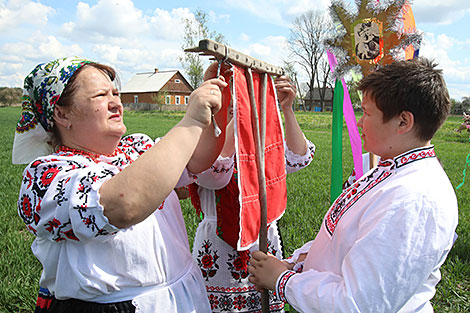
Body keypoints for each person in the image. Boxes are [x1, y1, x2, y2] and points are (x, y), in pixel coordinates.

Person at [14, 56, 228, 312]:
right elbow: (124, 205)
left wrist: (220, 102)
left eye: (116, 92)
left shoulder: (138, 148)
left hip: (181, 297)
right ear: (61, 113)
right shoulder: (46, 176)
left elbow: (196, 158)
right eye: (101, 95)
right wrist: (191, 121)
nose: (116, 102)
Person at [248, 57, 459, 313]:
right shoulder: (391, 170)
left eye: (368, 113)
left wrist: (282, 281)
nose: (359, 122)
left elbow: (357, 304)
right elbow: (344, 241)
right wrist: (295, 264)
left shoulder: (413, 199)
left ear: (403, 122)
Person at [189, 66, 316, 312]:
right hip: (218, 245)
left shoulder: (262, 138)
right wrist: (234, 119)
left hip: (262, 240)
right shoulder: (201, 140)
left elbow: (297, 158)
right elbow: (215, 175)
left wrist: (286, 109)